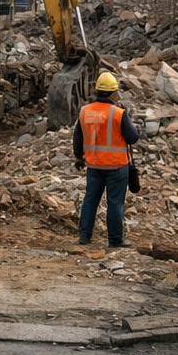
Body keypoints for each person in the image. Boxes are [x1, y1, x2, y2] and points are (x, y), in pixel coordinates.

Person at [73, 71, 139, 249]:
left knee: (90, 200)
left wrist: (79, 157)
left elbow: (77, 137)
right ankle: (115, 240)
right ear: (113, 92)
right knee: (115, 203)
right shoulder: (118, 113)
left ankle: (84, 237)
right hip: (116, 166)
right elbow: (133, 138)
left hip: (94, 165)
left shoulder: (85, 111)